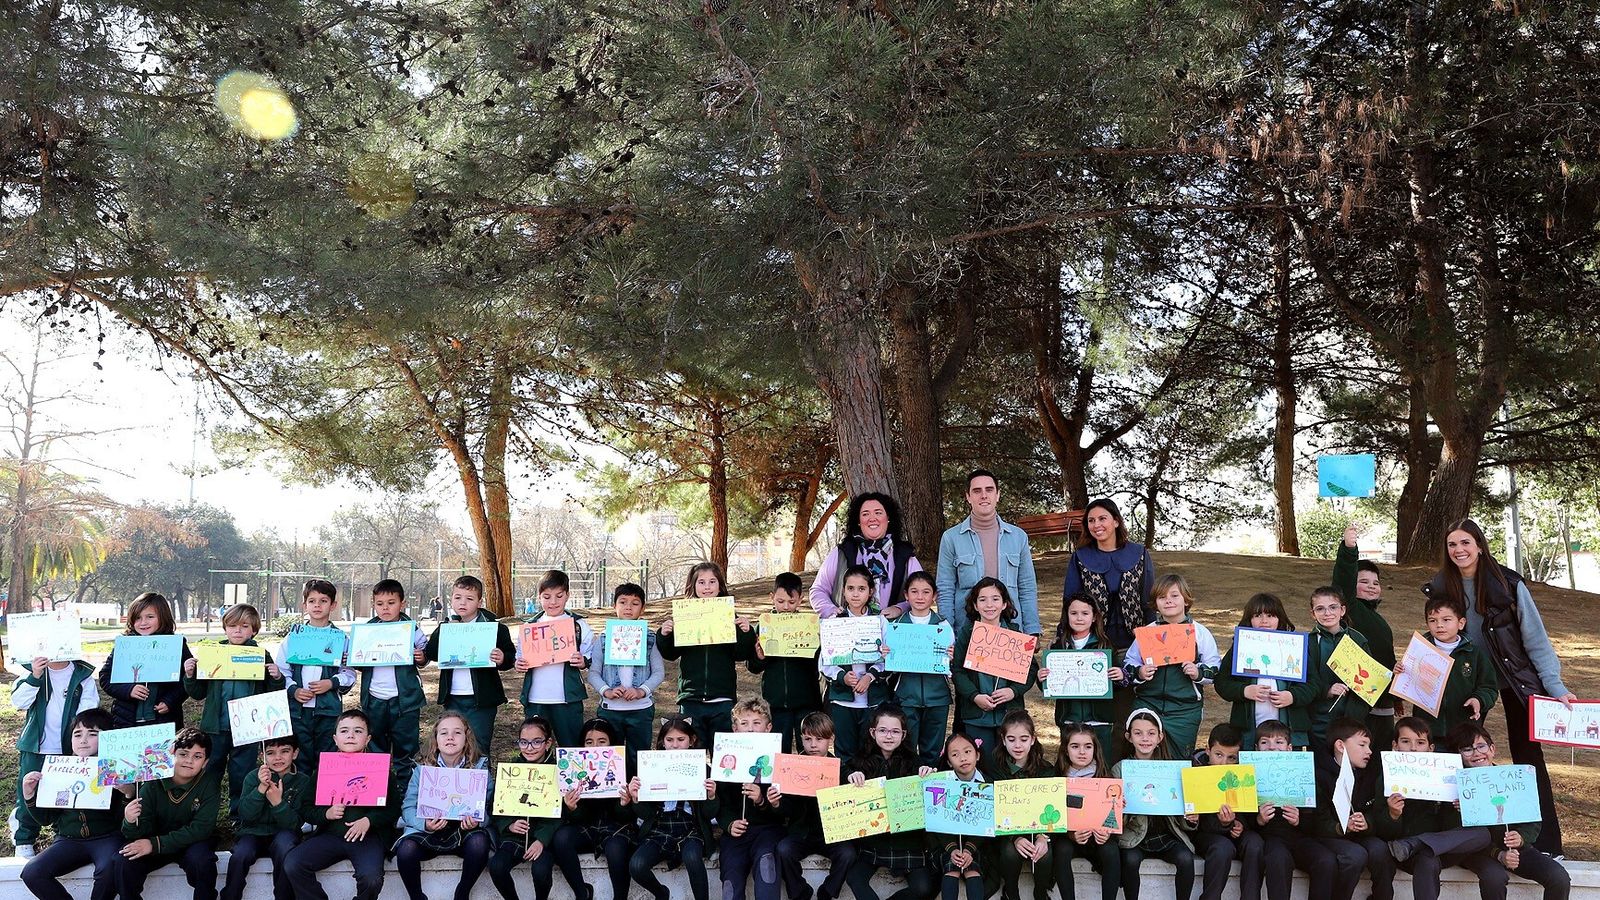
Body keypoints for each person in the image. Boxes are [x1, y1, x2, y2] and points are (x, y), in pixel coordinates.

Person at [1423, 517, 1573, 855]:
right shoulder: (1439, 586)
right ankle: (1469, 838)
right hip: (1467, 681)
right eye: (1452, 544)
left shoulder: (1508, 583)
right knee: (1460, 752)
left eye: (1465, 543)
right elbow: (1437, 639)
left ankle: (1545, 842)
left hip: (1515, 680)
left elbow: (1535, 639)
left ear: (1479, 545)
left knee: (1528, 756)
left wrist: (1555, 685)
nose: (1459, 550)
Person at [1375, 718, 1503, 900]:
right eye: (1405, 741)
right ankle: (1416, 844)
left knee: (1482, 834)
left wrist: (1463, 810)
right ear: (1395, 746)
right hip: (1405, 852)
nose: (1413, 748)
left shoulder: (1448, 775)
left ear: (1431, 748)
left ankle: (1419, 842)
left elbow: (1450, 827)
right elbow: (1382, 832)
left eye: (1420, 743)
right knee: (1427, 860)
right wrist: (1393, 815)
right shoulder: (1386, 779)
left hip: (1442, 848)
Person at [282, 710, 401, 900]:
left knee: (371, 879)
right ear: (335, 738)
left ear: (368, 738)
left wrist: (369, 820)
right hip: (331, 835)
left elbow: (394, 808)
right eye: (344, 731)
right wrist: (326, 814)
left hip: (368, 838)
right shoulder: (324, 770)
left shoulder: (381, 769)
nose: (351, 735)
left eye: (358, 731)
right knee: (293, 863)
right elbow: (305, 808)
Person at [183, 603, 286, 813]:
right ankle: (205, 813)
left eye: (244, 626)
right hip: (215, 727)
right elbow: (197, 693)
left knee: (242, 772)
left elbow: (271, 692)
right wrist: (190, 675)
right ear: (224, 628)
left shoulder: (261, 655)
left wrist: (277, 677)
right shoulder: (213, 654)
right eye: (232, 626)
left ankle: (239, 813)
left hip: (248, 729)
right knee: (210, 771)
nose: (237, 630)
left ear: (254, 630)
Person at [1450, 721, 1571, 900]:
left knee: (1558, 877)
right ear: (1459, 755)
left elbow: (1532, 820)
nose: (1476, 753)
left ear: (1492, 749)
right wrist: (1498, 854)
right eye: (1467, 749)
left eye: (1481, 746)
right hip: (1478, 852)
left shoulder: (1514, 779)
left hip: (1517, 848)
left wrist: (1521, 837)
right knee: (1494, 879)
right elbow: (1454, 834)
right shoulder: (1455, 786)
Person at [19, 709, 126, 900]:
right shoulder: (59, 770)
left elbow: (125, 817)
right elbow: (46, 819)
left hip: (107, 838)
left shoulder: (115, 769)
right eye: (77, 734)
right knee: (33, 872)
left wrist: (127, 792)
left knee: (111, 868)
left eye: (93, 734)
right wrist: (30, 796)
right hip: (68, 840)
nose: (83, 740)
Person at [10, 629, 101, 856]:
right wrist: (35, 676)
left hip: (67, 749)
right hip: (36, 746)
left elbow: (88, 711)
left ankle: (62, 836)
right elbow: (19, 702)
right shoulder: (31, 671)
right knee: (28, 790)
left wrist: (81, 743)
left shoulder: (82, 675)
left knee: (63, 793)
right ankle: (24, 839)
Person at [1249, 721, 1360, 900]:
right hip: (1270, 838)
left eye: (1279, 742)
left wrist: (1299, 819)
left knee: (1326, 861)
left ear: (1289, 748)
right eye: (1264, 743)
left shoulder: (1304, 773)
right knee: (1278, 859)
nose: (1272, 748)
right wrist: (1259, 820)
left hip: (1300, 837)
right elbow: (1244, 822)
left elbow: (1316, 819)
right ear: (1256, 748)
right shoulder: (1249, 774)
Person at [658, 561, 759, 747]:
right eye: (701, 582)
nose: (707, 587)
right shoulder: (684, 616)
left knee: (723, 755)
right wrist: (664, 634)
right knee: (693, 753)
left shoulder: (730, 615)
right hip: (691, 698)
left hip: (722, 698)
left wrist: (746, 633)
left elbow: (741, 654)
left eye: (712, 582)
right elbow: (670, 654)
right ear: (693, 585)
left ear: (720, 585)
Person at [394, 712, 494, 900]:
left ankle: (462, 893)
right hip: (429, 830)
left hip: (465, 832)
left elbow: (490, 808)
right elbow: (408, 807)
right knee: (406, 850)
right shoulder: (422, 770)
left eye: (457, 732)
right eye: (444, 733)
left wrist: (478, 821)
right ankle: (416, 896)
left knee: (480, 843)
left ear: (467, 739)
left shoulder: (479, 769)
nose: (450, 737)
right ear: (435, 739)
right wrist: (424, 824)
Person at [114, 727, 222, 900]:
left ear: (206, 762)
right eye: (183, 754)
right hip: (154, 840)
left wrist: (155, 844)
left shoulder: (209, 784)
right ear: (171, 754)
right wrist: (129, 820)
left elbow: (201, 829)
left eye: (197, 756)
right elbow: (136, 832)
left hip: (190, 843)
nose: (189, 761)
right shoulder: (153, 780)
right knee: (123, 861)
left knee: (203, 862)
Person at [842, 706, 937, 900]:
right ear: (872, 732)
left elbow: (932, 789)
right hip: (873, 841)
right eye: (883, 730)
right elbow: (842, 776)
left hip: (908, 842)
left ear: (903, 735)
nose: (888, 736)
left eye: (895, 731)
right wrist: (850, 775)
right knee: (854, 877)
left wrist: (928, 775)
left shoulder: (914, 762)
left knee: (925, 888)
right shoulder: (860, 762)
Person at [1124, 574, 1221, 757]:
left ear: (1185, 599)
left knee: (1180, 758)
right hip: (1148, 703)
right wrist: (1140, 672)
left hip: (1184, 709)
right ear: (1156, 603)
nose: (1168, 601)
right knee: (1144, 755)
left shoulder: (1199, 633)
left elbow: (1215, 668)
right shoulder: (1148, 632)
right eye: (1162, 597)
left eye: (1174, 596)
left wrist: (1198, 672)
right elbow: (1129, 663)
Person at [936, 469, 1040, 636]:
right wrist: (945, 631)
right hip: (966, 631)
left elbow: (1027, 587)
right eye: (977, 491)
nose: (983, 495)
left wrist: (1032, 629)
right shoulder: (951, 538)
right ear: (968, 497)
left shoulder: (1019, 537)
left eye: (989, 490)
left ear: (998, 495)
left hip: (1011, 629)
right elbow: (945, 588)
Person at [423, 574, 518, 755]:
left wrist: (502, 658)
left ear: (479, 602)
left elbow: (510, 657)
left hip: (482, 700)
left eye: (469, 599)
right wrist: (445, 632)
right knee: (452, 746)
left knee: (479, 745)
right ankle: (455, 781)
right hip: (453, 698)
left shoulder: (494, 628)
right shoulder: (446, 627)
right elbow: (432, 653)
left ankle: (481, 781)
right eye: (457, 598)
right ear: (451, 599)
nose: (462, 603)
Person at [626, 717, 717, 900]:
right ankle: (661, 894)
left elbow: (709, 814)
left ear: (691, 741)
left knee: (692, 857)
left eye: (681, 740)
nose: (675, 745)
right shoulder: (650, 768)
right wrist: (635, 798)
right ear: (662, 742)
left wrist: (711, 796)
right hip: (659, 828)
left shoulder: (704, 769)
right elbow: (645, 813)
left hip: (691, 828)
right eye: (669, 740)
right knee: (637, 865)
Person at [547, 718, 638, 900]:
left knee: (616, 848)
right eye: (589, 742)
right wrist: (572, 807)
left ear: (611, 742)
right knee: (562, 838)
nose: (595, 747)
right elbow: (576, 819)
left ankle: (621, 897)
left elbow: (628, 817)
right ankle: (581, 892)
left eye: (602, 741)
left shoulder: (624, 766)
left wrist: (625, 803)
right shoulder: (573, 770)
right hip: (586, 826)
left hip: (616, 828)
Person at [1213, 593, 1317, 749]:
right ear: (1249, 619)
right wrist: (1243, 691)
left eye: (1270, 615)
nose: (1264, 621)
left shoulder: (1294, 647)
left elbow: (1313, 684)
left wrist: (1292, 696)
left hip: (1291, 730)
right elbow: (1222, 682)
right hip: (1248, 731)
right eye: (1257, 615)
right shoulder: (1239, 648)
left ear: (1279, 618)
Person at [1114, 709, 1198, 900]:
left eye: (1151, 733)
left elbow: (1182, 811)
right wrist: (1120, 808)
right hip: (1134, 834)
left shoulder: (1172, 769)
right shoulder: (1120, 769)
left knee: (1185, 859)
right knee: (1131, 859)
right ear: (1128, 737)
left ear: (1160, 737)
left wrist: (1190, 818)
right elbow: (1112, 819)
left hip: (1166, 834)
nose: (1145, 739)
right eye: (1138, 733)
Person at [774, 712, 858, 900]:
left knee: (848, 854)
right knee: (783, 850)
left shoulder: (840, 767)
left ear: (831, 739)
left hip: (831, 834)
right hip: (800, 833)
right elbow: (785, 809)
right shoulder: (791, 767)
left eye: (819, 739)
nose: (813, 745)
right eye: (807, 739)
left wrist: (855, 779)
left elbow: (853, 794)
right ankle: (800, 893)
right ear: (800, 739)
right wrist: (776, 803)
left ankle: (827, 892)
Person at [1331, 526, 1401, 748]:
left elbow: (1386, 658)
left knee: (1379, 757)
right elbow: (1343, 579)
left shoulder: (1379, 620)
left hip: (1384, 702)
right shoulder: (1350, 608)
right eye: (1363, 582)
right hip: (1360, 704)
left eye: (1376, 583)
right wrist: (1349, 549)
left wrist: (1396, 696)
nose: (1371, 587)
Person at [1400, 592, 1498, 742]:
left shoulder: (1474, 654)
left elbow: (1489, 687)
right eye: (1432, 620)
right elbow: (1403, 685)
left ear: (1461, 623)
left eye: (1446, 620)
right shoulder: (1418, 651)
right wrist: (1398, 674)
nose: (1439, 625)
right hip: (1427, 732)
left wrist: (1478, 699)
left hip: (1464, 731)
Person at [223, 735, 312, 900]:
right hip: (253, 832)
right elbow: (246, 815)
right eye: (270, 753)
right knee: (241, 854)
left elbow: (294, 824)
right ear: (261, 756)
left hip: (284, 833)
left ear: (295, 753)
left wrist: (278, 803)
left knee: (285, 847)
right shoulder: (252, 777)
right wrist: (261, 788)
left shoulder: (302, 782)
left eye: (284, 751)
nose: (278, 757)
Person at [953, 578, 1038, 750]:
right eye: (982, 600)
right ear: (975, 605)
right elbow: (957, 670)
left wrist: (1013, 691)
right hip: (976, 714)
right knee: (982, 762)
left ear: (1004, 603)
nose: (989, 605)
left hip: (1009, 716)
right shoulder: (967, 634)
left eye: (995, 599)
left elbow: (1030, 670)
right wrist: (974, 696)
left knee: (1007, 764)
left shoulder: (1015, 634)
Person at [1060, 497, 1154, 654]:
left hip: (1136, 645)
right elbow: (1070, 601)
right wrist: (1062, 635)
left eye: (1102, 518)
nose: (1096, 525)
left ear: (1116, 521)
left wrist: (1152, 635)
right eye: (1091, 520)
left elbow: (1149, 600)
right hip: (1093, 646)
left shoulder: (1139, 554)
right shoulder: (1080, 557)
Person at [515, 569, 596, 748]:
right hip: (536, 698)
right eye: (547, 596)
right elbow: (520, 657)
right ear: (539, 597)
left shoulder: (578, 625)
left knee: (572, 746)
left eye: (559, 596)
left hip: (567, 699)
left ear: (567, 595)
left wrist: (582, 661)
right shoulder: (530, 626)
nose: (553, 602)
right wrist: (519, 664)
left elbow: (590, 655)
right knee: (535, 747)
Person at [283, 578, 355, 774]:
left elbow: (349, 673)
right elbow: (282, 670)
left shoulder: (341, 638)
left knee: (327, 758)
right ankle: (302, 800)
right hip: (298, 712)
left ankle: (324, 802)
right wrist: (293, 690)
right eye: (312, 601)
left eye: (323, 601)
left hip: (328, 711)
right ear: (304, 605)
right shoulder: (293, 637)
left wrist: (331, 683)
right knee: (301, 758)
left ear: (333, 605)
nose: (317, 605)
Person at [811, 492, 923, 618]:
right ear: (858, 521)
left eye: (878, 513)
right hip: (847, 629)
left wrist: (900, 608)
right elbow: (818, 590)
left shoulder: (905, 555)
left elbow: (923, 593)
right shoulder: (842, 553)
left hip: (894, 631)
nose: (872, 518)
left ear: (888, 518)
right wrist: (831, 611)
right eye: (865, 514)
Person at [487, 716, 563, 900]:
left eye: (536, 742)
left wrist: (542, 840)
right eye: (524, 742)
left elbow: (561, 813)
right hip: (514, 837)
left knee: (540, 870)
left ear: (548, 743)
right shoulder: (511, 769)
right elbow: (496, 806)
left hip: (544, 838)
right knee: (496, 866)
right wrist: (509, 824)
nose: (529, 748)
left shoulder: (557, 770)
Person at [590, 582, 665, 767]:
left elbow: (658, 672)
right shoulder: (604, 638)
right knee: (609, 759)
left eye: (635, 603)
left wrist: (642, 691)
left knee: (638, 758)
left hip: (641, 709)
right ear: (614, 606)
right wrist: (606, 690)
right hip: (610, 710)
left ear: (643, 608)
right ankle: (615, 795)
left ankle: (636, 794)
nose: (628, 607)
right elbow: (593, 673)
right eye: (623, 602)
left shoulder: (650, 639)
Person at [749, 572, 824, 753]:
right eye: (780, 601)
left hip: (806, 700)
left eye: (791, 602)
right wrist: (759, 657)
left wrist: (815, 646)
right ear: (772, 597)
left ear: (800, 600)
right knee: (777, 752)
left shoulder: (810, 625)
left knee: (808, 750)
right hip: (775, 702)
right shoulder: (763, 626)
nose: (786, 607)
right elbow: (752, 667)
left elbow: (819, 664)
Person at [718, 699, 786, 900]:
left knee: (767, 869)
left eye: (757, 723)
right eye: (744, 723)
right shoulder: (724, 760)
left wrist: (762, 801)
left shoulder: (779, 759)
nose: (750, 729)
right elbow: (719, 804)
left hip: (767, 831)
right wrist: (729, 824)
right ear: (734, 729)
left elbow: (786, 809)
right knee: (730, 885)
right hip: (735, 835)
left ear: (768, 728)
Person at [988, 710, 1060, 900]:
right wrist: (1015, 838)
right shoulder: (995, 769)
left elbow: (1053, 808)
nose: (1018, 745)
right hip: (1005, 832)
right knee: (1010, 853)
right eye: (1011, 739)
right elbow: (993, 809)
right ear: (1003, 740)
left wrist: (1044, 837)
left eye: (1023, 739)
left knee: (1044, 854)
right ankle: (1011, 892)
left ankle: (1040, 892)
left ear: (1033, 739)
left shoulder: (1046, 770)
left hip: (1039, 829)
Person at [1188, 723, 1265, 900]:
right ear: (1208, 750)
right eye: (1219, 755)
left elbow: (1249, 811)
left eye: (1231, 758)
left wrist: (1239, 824)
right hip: (1206, 835)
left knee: (1255, 843)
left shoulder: (1244, 771)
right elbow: (1195, 822)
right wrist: (1224, 824)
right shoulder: (1194, 772)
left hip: (1236, 831)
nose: (1224, 763)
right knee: (1222, 848)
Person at [358, 579, 430, 767]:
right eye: (380, 604)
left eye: (391, 603)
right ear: (374, 604)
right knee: (375, 750)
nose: (385, 608)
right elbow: (359, 661)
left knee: (406, 750)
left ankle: (406, 792)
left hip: (405, 701)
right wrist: (352, 659)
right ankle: (378, 792)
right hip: (374, 699)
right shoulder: (367, 630)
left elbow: (425, 654)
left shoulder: (411, 629)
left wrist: (421, 657)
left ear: (402, 603)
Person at [822, 565, 890, 758]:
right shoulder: (834, 621)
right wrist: (843, 676)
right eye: (850, 588)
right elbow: (825, 660)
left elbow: (888, 658)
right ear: (843, 591)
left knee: (872, 752)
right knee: (845, 753)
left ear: (870, 591)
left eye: (861, 589)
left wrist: (870, 676)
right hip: (843, 701)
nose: (855, 594)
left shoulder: (880, 621)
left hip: (873, 700)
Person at [99, 592, 190, 729]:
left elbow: (187, 680)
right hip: (126, 720)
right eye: (137, 618)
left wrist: (170, 701)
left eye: (150, 617)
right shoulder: (125, 645)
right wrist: (128, 690)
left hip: (164, 720)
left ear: (163, 617)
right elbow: (105, 677)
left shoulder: (176, 645)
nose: (143, 623)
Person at [1047, 594, 1123, 753]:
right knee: (1070, 767)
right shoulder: (1058, 647)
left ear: (1094, 617)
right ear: (1066, 616)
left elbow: (1118, 685)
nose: (1079, 618)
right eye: (1074, 613)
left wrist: (1119, 676)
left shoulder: (1105, 646)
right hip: (1069, 719)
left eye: (1085, 613)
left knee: (1102, 768)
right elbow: (1050, 687)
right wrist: (1044, 680)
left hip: (1099, 721)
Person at [1052, 723, 1120, 900]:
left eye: (1088, 746)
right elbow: (1053, 818)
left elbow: (1114, 819)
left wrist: (1107, 833)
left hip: (1098, 839)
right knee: (1062, 850)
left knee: (1111, 851)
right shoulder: (1057, 777)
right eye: (1075, 746)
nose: (1082, 752)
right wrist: (1071, 835)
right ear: (1066, 750)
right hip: (1070, 838)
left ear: (1095, 749)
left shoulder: (1105, 777)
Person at [893, 571, 955, 765]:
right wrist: (888, 653)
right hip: (906, 697)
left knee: (932, 751)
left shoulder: (943, 626)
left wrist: (950, 658)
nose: (920, 597)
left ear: (934, 596)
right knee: (906, 749)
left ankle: (931, 788)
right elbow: (890, 667)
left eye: (926, 592)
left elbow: (951, 665)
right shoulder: (896, 627)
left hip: (937, 697)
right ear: (906, 595)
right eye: (914, 591)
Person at [1306, 586, 1373, 746]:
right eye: (1320, 609)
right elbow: (1306, 680)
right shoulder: (1308, 642)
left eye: (1333, 607)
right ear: (1313, 614)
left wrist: (1356, 714)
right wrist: (1326, 690)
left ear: (1342, 610)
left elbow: (1371, 682)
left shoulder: (1357, 639)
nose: (1327, 613)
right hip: (1318, 720)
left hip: (1351, 721)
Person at [932, 731, 991, 900]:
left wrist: (969, 849)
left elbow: (988, 823)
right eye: (955, 754)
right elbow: (937, 822)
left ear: (977, 755)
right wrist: (953, 849)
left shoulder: (988, 785)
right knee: (952, 869)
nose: (963, 758)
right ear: (949, 762)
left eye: (967, 752)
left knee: (972, 870)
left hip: (977, 843)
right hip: (948, 843)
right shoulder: (942, 785)